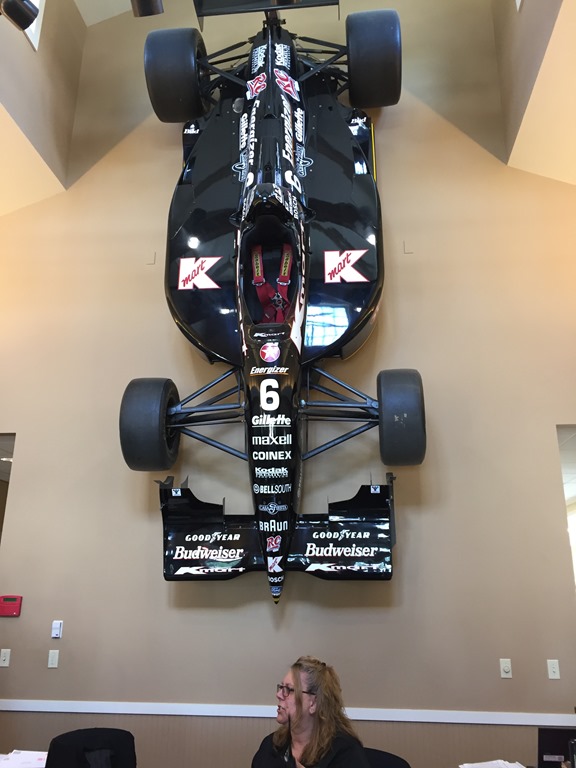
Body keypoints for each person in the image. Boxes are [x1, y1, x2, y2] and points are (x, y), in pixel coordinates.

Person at [252, 655, 371, 768]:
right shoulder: (271, 745)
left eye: (289, 689)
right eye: (281, 687)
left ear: (314, 703)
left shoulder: (345, 752)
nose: (279, 695)